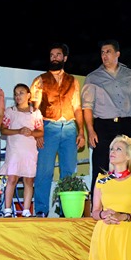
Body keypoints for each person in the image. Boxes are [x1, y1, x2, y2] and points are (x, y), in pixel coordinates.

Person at [82, 40, 131, 193]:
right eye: (102, 52)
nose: (104, 55)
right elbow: (87, 106)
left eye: (108, 52)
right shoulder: (93, 77)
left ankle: (127, 200)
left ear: (117, 54)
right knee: (101, 166)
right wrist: (90, 130)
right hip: (103, 126)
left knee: (127, 164)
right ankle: (98, 203)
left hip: (126, 125)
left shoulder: (129, 74)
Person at [31, 43, 84, 216]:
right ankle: (41, 210)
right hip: (48, 127)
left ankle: (66, 210)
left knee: (68, 171)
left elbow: (77, 107)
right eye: (52, 55)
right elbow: (34, 109)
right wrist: (38, 131)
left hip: (69, 127)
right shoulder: (40, 80)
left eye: (58, 55)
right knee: (44, 170)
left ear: (65, 58)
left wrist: (81, 132)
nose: (54, 58)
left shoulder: (73, 81)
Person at [0, 83, 43, 217]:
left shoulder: (35, 112)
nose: (18, 96)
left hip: (29, 151)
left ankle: (26, 210)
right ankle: (7, 209)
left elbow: (40, 132)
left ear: (28, 95)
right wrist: (18, 131)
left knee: (29, 180)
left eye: (21, 93)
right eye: (16, 94)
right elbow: (3, 130)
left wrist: (31, 133)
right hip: (14, 150)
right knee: (12, 178)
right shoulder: (10, 111)